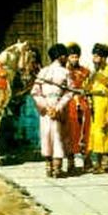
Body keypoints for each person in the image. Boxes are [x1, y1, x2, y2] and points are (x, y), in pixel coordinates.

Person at [31, 43, 73, 178]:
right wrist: (57, 107)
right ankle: (55, 168)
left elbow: (35, 93)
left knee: (47, 136)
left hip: (48, 109)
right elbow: (69, 93)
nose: (66, 59)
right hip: (55, 107)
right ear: (61, 57)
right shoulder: (65, 73)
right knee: (57, 137)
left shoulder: (43, 72)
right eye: (65, 56)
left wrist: (46, 106)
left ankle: (51, 166)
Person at [84, 43, 108, 174]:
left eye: (97, 56)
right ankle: (97, 162)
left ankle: (105, 163)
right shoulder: (94, 73)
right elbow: (87, 88)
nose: (94, 58)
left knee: (106, 133)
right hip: (95, 107)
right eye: (94, 55)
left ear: (104, 58)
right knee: (96, 133)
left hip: (106, 107)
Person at [65, 43, 91, 175]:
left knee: (86, 130)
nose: (74, 59)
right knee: (70, 132)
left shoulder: (85, 72)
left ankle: (87, 160)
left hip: (82, 103)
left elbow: (87, 88)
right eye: (72, 56)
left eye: (76, 56)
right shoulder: (64, 72)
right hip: (69, 104)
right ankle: (70, 162)